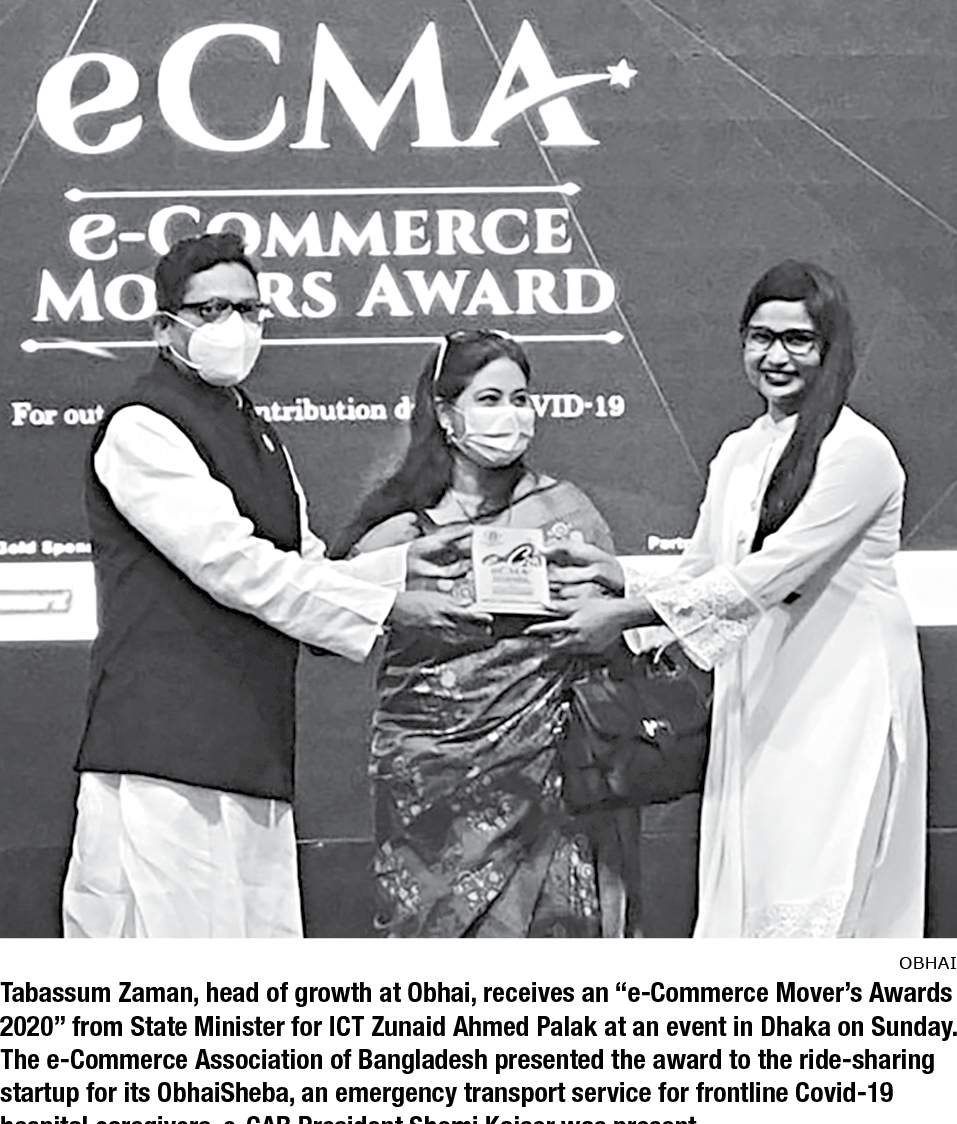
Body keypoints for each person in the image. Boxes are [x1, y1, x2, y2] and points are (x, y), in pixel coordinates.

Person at [63, 232, 482, 939]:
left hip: (250, 742)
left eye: (249, 308)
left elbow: (301, 562)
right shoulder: (143, 425)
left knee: (258, 962)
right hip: (164, 748)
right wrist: (388, 605)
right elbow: (232, 564)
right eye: (212, 309)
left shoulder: (255, 428)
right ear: (164, 327)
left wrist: (404, 567)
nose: (235, 325)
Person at [531, 261, 927, 938]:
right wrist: (615, 576)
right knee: (753, 888)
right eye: (760, 337)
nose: (776, 356)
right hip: (758, 700)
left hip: (841, 700)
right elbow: (705, 570)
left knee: (821, 890)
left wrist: (622, 616)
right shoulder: (740, 452)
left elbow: (767, 577)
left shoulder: (858, 451)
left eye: (798, 340)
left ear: (830, 348)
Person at [331, 330, 636, 937]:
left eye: (521, 399)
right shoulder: (402, 528)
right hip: (432, 778)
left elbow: (617, 635)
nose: (511, 416)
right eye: (490, 399)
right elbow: (332, 612)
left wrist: (595, 611)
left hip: (549, 772)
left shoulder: (566, 511)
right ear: (446, 415)